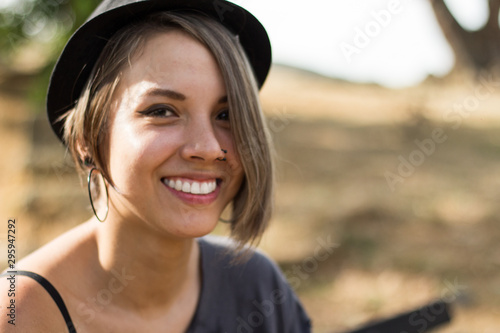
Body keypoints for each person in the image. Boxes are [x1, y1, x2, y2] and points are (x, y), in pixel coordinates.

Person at [0, 0, 312, 332]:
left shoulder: (258, 287)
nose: (207, 149)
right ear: (86, 139)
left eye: (226, 115)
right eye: (162, 111)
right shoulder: (21, 315)